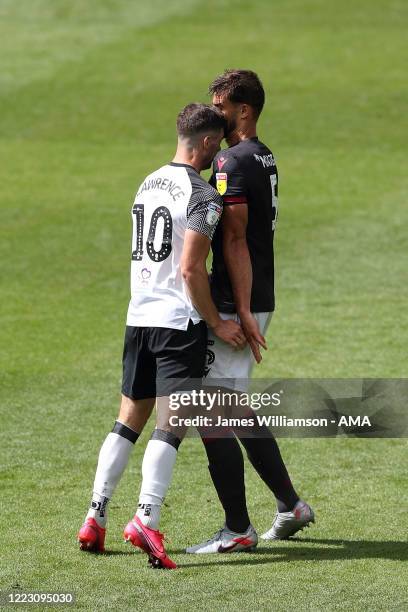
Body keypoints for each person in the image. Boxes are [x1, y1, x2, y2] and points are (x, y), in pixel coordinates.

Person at [77, 103, 246, 567]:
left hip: (139, 317)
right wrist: (217, 323)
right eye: (219, 143)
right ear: (208, 142)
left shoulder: (148, 182)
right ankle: (146, 522)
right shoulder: (203, 196)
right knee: (170, 428)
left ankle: (95, 515)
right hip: (177, 324)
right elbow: (192, 270)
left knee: (126, 422)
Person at [186, 70, 315, 554]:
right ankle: (289, 505)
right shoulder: (261, 154)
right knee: (232, 406)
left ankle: (238, 528)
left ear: (244, 110)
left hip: (240, 297)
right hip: (256, 293)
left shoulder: (231, 161)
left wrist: (236, 311)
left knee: (210, 408)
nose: (213, 111)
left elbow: (235, 238)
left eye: (220, 105)